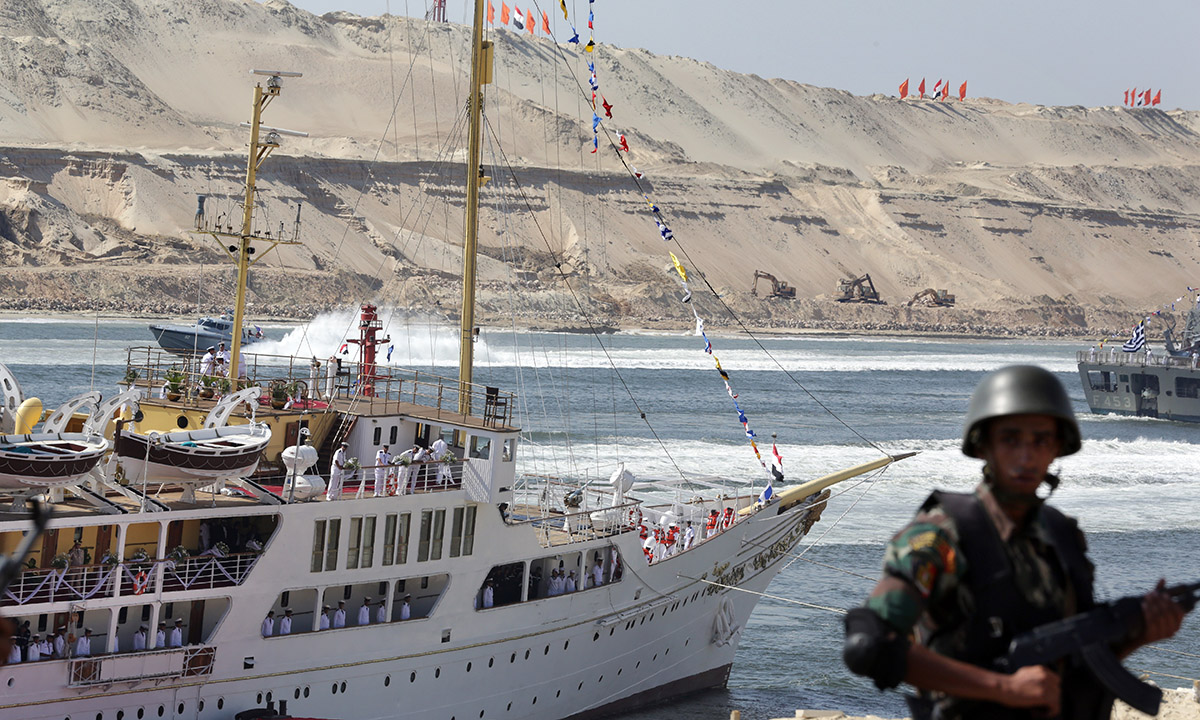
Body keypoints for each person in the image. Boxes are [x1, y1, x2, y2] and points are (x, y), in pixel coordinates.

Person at [844, 365, 1187, 720]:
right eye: (1010, 439)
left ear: (1057, 448)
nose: (1026, 457)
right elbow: (870, 645)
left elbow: (1078, 662)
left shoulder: (1062, 536)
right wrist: (1004, 688)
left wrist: (1141, 632)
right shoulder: (942, 535)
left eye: (1041, 440)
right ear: (983, 446)